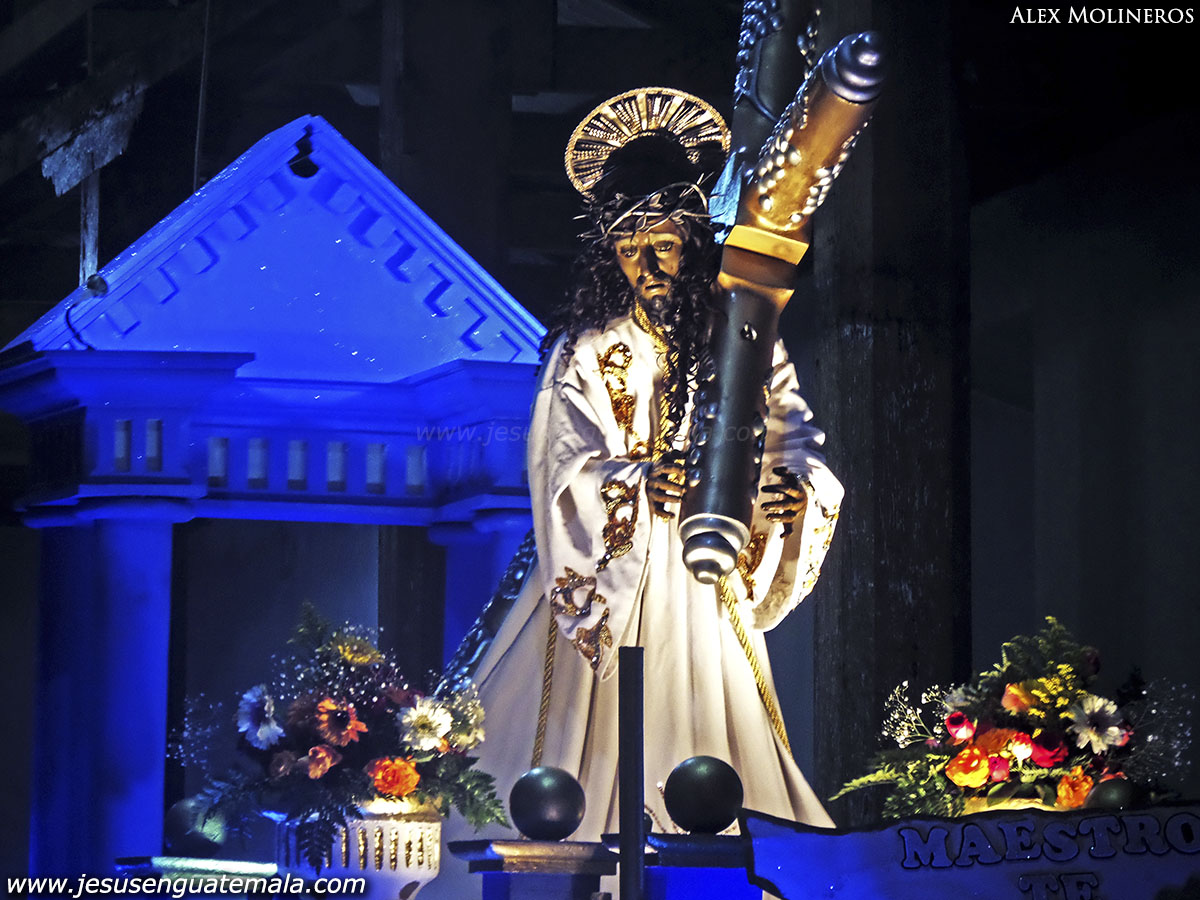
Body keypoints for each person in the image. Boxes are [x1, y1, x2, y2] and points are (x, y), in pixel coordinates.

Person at [431, 90, 842, 896]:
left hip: (705, 575)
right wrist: (635, 481)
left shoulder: (744, 342)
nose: (649, 266)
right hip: (611, 576)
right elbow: (562, 466)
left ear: (692, 242)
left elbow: (794, 439)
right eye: (628, 250)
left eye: (663, 244)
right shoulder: (586, 351)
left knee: (711, 725)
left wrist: (787, 491)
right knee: (577, 739)